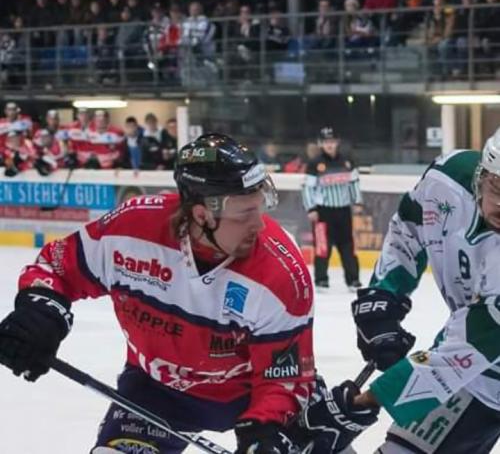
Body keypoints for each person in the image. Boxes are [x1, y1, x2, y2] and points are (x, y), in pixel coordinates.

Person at [0, 133, 315, 453]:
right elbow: (56, 268)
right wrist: (40, 314)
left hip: (250, 394)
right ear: (202, 215)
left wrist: (267, 429)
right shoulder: (131, 229)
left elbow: (284, 378)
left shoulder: (281, 271)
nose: (259, 225)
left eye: (260, 207)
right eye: (244, 214)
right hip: (157, 393)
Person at [300, 128, 500, 453]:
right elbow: (409, 225)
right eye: (498, 187)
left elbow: (467, 348)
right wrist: (384, 297)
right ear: (482, 173)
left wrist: (364, 402)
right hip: (471, 374)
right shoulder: (448, 178)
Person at [302, 126, 362, 289]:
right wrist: (311, 208)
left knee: (347, 245)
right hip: (323, 211)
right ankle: (321, 279)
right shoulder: (315, 163)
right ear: (321, 144)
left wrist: (357, 202)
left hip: (343, 210)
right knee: (322, 246)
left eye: (332, 141)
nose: (329, 145)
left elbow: (354, 183)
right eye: (326, 142)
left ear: (337, 143)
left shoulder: (347, 161)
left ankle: (353, 279)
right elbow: (307, 188)